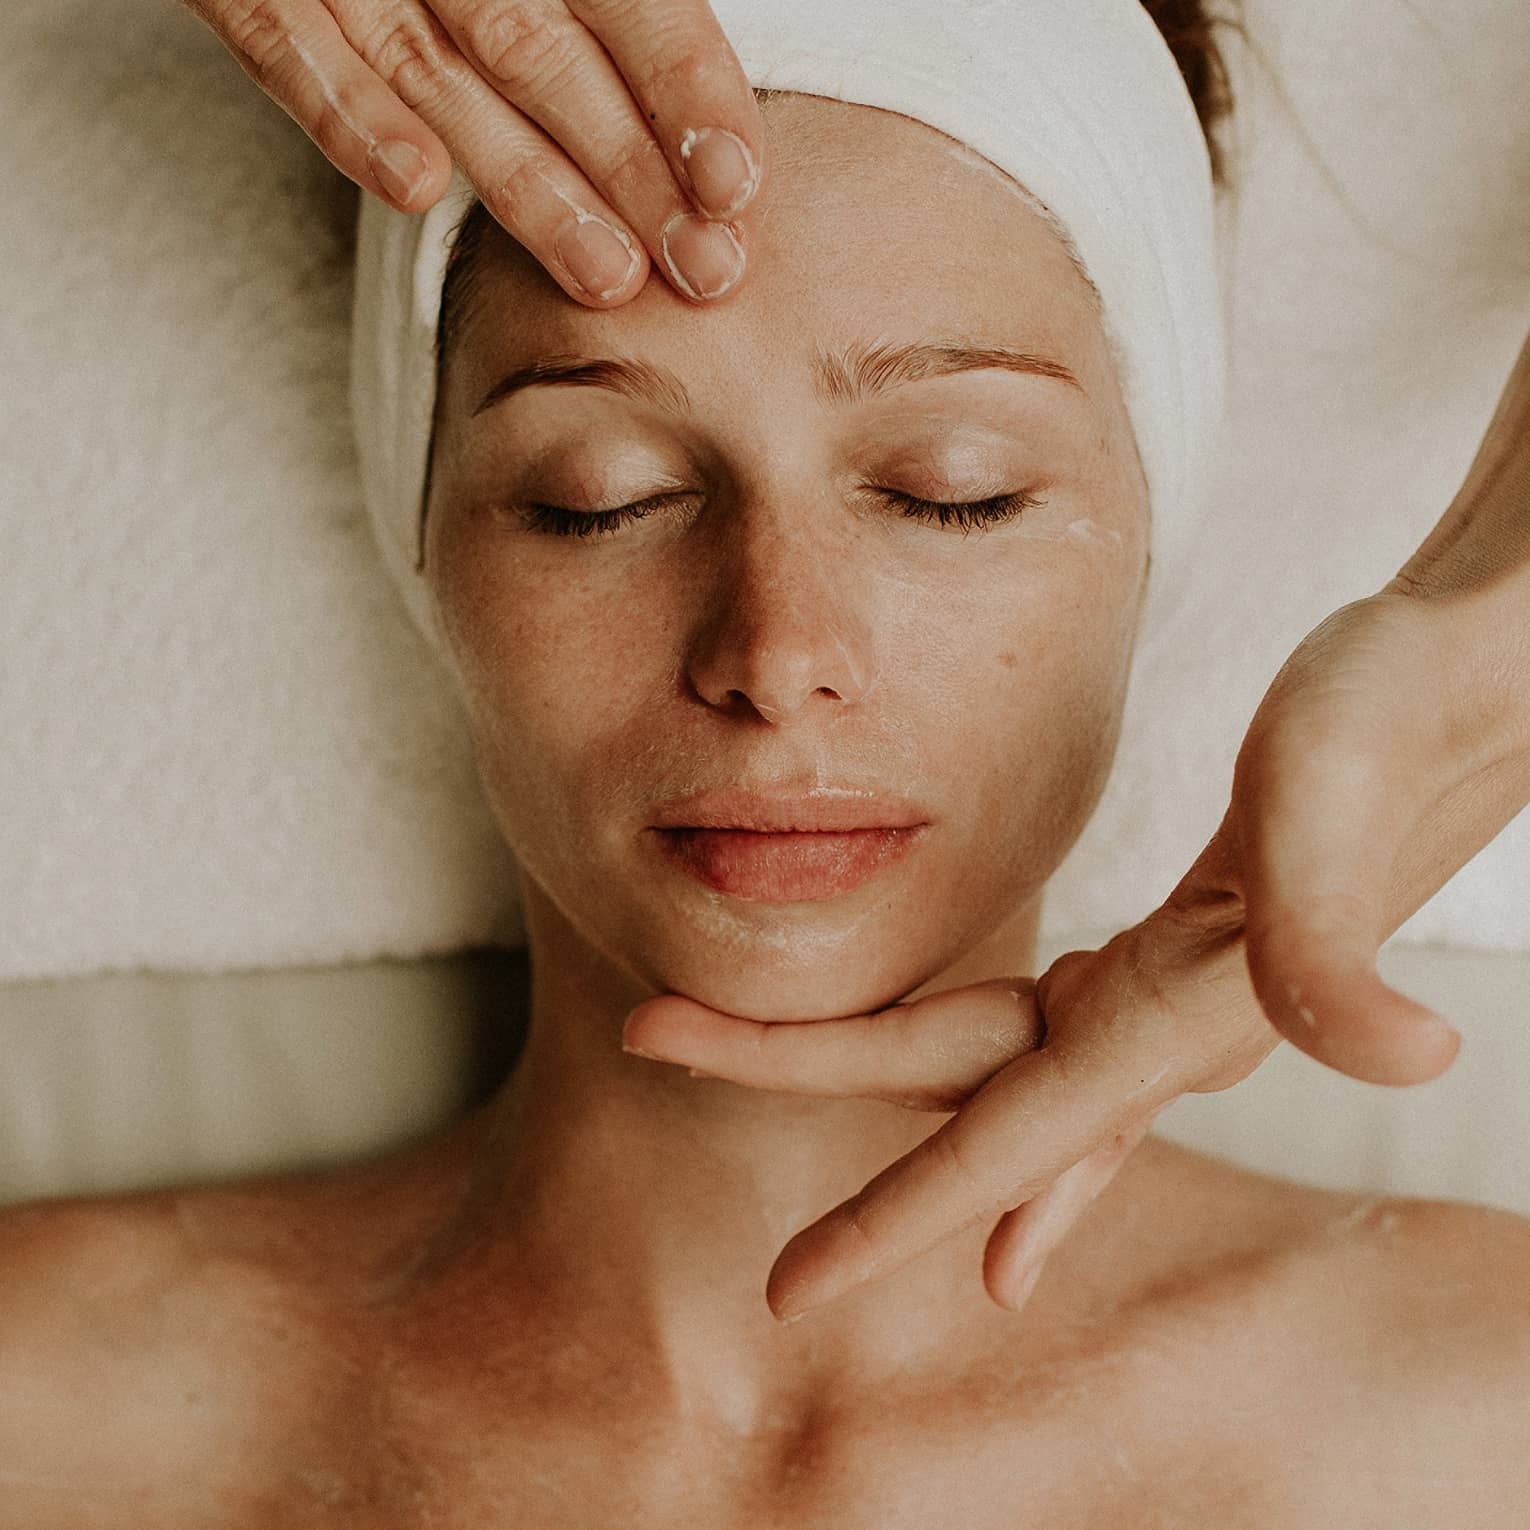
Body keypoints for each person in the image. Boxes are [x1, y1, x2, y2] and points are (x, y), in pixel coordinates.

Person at [4, 9, 1529, 1529]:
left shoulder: (1472, 1409)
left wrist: (1487, 649)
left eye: (954, 494)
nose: (775, 646)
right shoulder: (60, 1404)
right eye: (601, 498)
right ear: (427, 543)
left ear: (1148, 528)